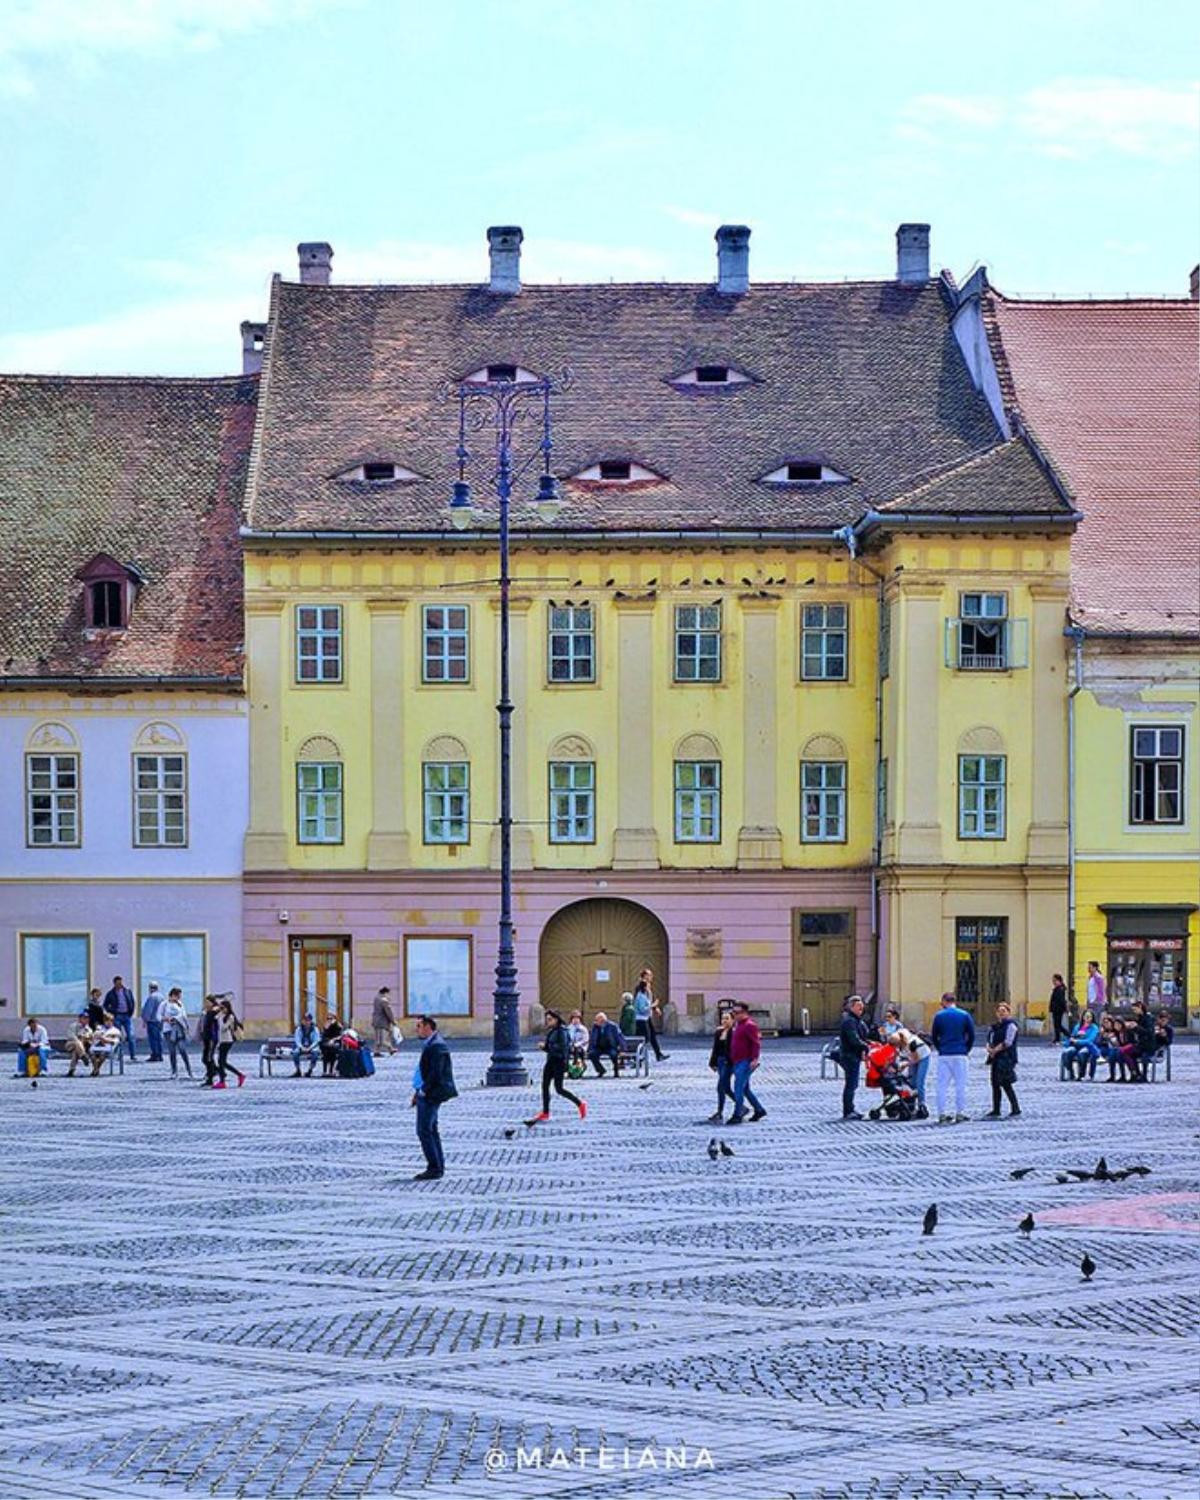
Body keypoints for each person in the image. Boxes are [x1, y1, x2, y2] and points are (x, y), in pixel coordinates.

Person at [412, 1014, 457, 1179]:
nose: (416, 1029)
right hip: (427, 1092)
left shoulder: (436, 1046)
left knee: (424, 1130)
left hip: (431, 1094)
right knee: (431, 1130)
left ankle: (435, 1167)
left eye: (419, 1026)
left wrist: (423, 1091)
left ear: (427, 1027)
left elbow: (435, 1073)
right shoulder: (432, 1043)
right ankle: (437, 1165)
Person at [531, 1009, 587, 1123]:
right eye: (547, 1020)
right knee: (545, 1086)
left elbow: (563, 1049)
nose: (548, 1022)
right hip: (551, 1061)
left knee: (559, 1089)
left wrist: (548, 1047)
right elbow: (550, 1047)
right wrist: (544, 1047)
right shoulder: (553, 1031)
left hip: (559, 1063)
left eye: (550, 1020)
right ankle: (545, 1112)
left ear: (556, 1019)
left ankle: (580, 1104)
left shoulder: (562, 1031)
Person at [930, 991, 975, 1124]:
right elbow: (971, 1035)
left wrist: (940, 1048)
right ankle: (960, 1113)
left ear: (944, 1001)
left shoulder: (939, 1016)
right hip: (960, 1053)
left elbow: (934, 1035)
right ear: (955, 1001)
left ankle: (942, 1113)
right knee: (961, 1085)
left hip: (944, 1053)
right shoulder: (964, 1015)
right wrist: (966, 1049)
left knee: (941, 1085)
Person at [883, 1005, 931, 1119]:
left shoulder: (911, 1044)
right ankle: (911, 1106)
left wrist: (905, 1064)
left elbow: (916, 1059)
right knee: (911, 1082)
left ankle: (922, 1105)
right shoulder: (899, 1035)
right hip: (913, 1057)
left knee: (919, 1082)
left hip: (923, 1056)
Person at [727, 1000, 766, 1124]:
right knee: (745, 1089)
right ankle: (759, 1109)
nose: (734, 1015)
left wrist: (755, 1058)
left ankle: (737, 1114)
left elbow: (756, 1043)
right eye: (733, 1012)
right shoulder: (738, 1025)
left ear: (744, 1013)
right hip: (737, 1061)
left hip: (745, 1061)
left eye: (736, 1012)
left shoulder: (749, 1025)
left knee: (738, 1088)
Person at [983, 1001, 1021, 1118]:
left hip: (1006, 1058)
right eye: (999, 1011)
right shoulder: (995, 1027)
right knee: (994, 1083)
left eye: (1003, 1011)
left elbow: (1008, 1042)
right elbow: (990, 1039)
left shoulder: (1011, 1026)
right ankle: (996, 1109)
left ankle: (1015, 1108)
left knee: (1006, 1083)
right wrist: (989, 1048)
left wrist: (995, 1050)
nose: (1001, 1014)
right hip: (995, 1058)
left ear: (1008, 1013)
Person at [837, 995, 870, 1120]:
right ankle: (848, 1110)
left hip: (853, 1055)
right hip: (849, 1056)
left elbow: (865, 1034)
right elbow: (854, 1039)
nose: (861, 1008)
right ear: (851, 1007)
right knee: (851, 1084)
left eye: (862, 1006)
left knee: (853, 1083)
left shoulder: (857, 1020)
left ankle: (850, 1109)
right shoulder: (849, 1021)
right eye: (858, 1006)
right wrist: (865, 1046)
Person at [632, 968, 668, 1062]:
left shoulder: (648, 987)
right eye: (649, 975)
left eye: (651, 975)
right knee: (645, 1037)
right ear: (644, 976)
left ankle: (658, 1054)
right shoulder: (640, 988)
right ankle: (637, 1057)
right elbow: (642, 1005)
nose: (651, 977)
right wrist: (653, 1006)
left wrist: (655, 1008)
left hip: (647, 1016)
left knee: (652, 1036)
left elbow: (649, 1001)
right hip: (642, 1017)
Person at [707, 1009, 736, 1123]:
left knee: (720, 1087)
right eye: (723, 1018)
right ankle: (742, 1107)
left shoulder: (734, 1032)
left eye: (727, 1018)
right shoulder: (719, 1032)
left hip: (728, 1063)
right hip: (720, 1061)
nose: (724, 1021)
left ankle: (720, 1112)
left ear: (733, 1020)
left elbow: (733, 1050)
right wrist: (712, 1063)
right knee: (726, 1088)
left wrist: (731, 1062)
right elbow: (715, 1049)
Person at [213, 998, 246, 1089]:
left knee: (221, 1062)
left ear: (227, 1008)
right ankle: (238, 1075)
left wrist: (220, 1017)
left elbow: (224, 1028)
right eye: (221, 1008)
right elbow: (214, 1018)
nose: (222, 1010)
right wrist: (219, 1012)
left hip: (227, 1041)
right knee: (222, 1062)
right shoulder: (221, 1015)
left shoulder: (230, 1017)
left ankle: (223, 1081)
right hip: (222, 1041)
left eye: (223, 1008)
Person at [160, 988, 192, 1079]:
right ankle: (174, 1071)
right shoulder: (164, 1004)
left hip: (179, 1029)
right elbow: (158, 1016)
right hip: (168, 1030)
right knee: (172, 1051)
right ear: (172, 995)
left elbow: (184, 1015)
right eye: (177, 996)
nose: (179, 998)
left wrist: (178, 1019)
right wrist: (167, 1019)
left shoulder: (180, 1004)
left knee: (182, 1049)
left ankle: (188, 1069)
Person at [104, 975, 138, 1061]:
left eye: (120, 982)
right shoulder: (110, 993)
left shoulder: (127, 991)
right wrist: (112, 1011)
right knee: (118, 1036)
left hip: (127, 1016)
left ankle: (133, 1055)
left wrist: (131, 1013)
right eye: (117, 983)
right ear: (114, 983)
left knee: (131, 1035)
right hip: (117, 1016)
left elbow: (132, 1002)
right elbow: (105, 1005)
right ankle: (118, 1055)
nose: (119, 984)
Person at [1064, 1010, 1101, 1079]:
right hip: (1076, 1046)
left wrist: (1078, 1041)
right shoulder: (1078, 1026)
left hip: (1088, 1047)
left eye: (1089, 1016)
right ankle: (1071, 1073)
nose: (1087, 1018)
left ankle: (1081, 1074)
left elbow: (1090, 1040)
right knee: (1067, 1053)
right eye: (1086, 1016)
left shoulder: (1094, 1027)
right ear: (1083, 1017)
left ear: (1092, 1018)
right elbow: (1073, 1036)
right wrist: (1070, 1041)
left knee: (1082, 1053)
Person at [587, 1011, 624, 1077]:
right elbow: (592, 1039)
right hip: (599, 1047)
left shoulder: (613, 1026)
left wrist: (622, 1049)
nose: (595, 1021)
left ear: (602, 1020)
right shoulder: (595, 1027)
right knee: (592, 1054)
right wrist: (589, 1049)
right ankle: (601, 1070)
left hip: (610, 1046)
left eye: (597, 1020)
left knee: (613, 1054)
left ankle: (616, 1070)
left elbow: (619, 1038)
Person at [199, 994, 222, 1087]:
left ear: (212, 1003)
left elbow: (221, 1009)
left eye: (207, 1002)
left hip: (212, 1038)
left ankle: (211, 1077)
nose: (205, 1004)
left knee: (208, 1058)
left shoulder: (214, 1012)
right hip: (206, 1038)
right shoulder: (207, 1012)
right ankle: (215, 1071)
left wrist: (217, 1008)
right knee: (205, 1059)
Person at [63, 1012, 93, 1077]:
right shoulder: (73, 1026)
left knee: (76, 1052)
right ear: (80, 1019)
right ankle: (83, 1056)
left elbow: (90, 1037)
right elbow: (71, 1036)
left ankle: (71, 1070)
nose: (86, 1020)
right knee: (77, 1043)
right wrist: (80, 1039)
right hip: (70, 1044)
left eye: (87, 1018)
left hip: (82, 1047)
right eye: (84, 1018)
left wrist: (85, 1038)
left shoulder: (89, 1029)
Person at [292, 1012, 321, 1077]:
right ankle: (298, 1070)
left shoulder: (315, 1029)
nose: (306, 1022)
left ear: (311, 1021)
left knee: (315, 1053)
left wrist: (310, 1048)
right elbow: (297, 1040)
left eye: (308, 1020)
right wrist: (301, 1047)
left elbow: (316, 1041)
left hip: (312, 1047)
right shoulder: (299, 1029)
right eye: (305, 1020)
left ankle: (310, 1070)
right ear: (302, 1021)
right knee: (295, 1053)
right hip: (302, 1047)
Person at [142, 982, 164, 1063]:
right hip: (159, 1020)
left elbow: (148, 1010)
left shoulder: (152, 997)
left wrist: (145, 1020)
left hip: (152, 1021)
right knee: (159, 1038)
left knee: (153, 1039)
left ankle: (155, 1054)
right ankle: (160, 1054)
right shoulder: (161, 996)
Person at [372, 987, 397, 1055]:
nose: (389, 995)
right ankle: (391, 1048)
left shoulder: (376, 999)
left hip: (376, 1021)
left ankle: (376, 1051)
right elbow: (388, 1012)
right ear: (385, 993)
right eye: (388, 993)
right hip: (382, 1022)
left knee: (377, 1038)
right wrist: (393, 1021)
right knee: (383, 1039)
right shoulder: (384, 1001)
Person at [1049, 973, 1069, 1043]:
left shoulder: (1060, 989)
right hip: (1056, 1009)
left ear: (1059, 981)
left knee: (1058, 1025)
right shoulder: (1058, 989)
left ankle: (1064, 1036)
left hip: (1058, 1009)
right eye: (1053, 981)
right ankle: (1058, 1038)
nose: (1053, 982)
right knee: (1057, 1025)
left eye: (1055, 981)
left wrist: (1065, 1009)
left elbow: (1062, 1001)